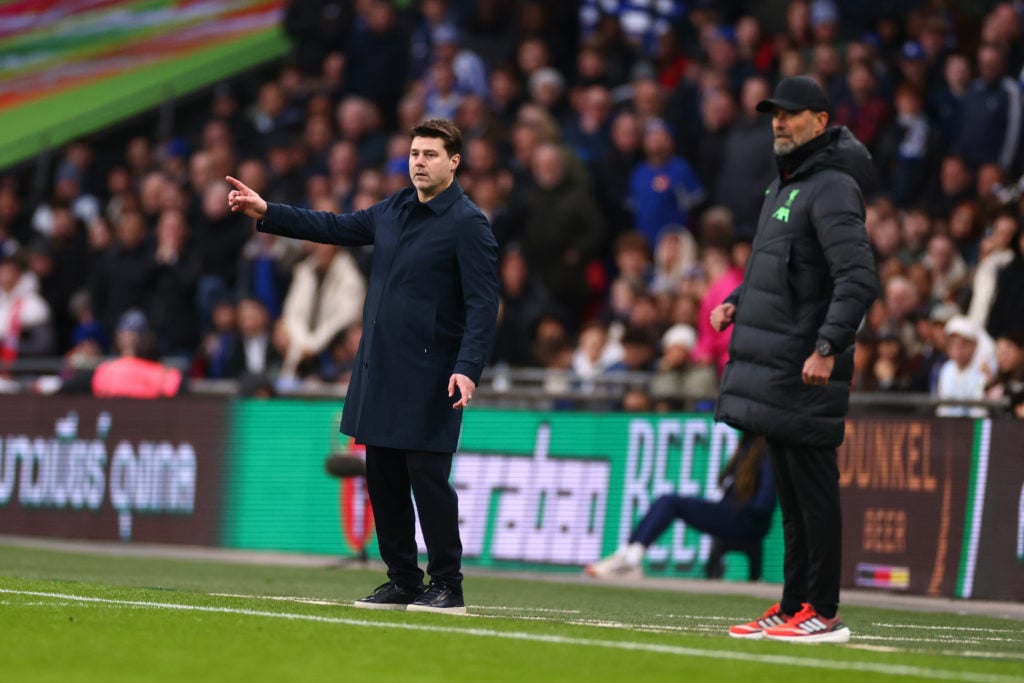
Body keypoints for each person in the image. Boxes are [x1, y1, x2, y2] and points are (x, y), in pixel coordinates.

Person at [226, 119, 499, 615]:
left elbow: (483, 304)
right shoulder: (393, 208)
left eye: (431, 154)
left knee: (428, 481)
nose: (419, 161)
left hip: (433, 375)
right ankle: (402, 580)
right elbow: (333, 227)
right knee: (384, 479)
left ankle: (448, 586)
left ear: (454, 162)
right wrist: (268, 211)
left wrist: (468, 368)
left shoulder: (468, 223)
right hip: (381, 370)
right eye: (415, 153)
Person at [711, 76, 878, 644]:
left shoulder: (831, 186)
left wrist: (828, 347)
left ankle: (824, 611)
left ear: (820, 121)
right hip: (779, 367)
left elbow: (857, 278)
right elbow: (779, 270)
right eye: (774, 114)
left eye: (790, 113)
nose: (778, 122)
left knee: (815, 495)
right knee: (792, 501)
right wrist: (736, 301)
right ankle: (791, 606)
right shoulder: (785, 186)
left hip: (808, 366)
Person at [584, 433, 774, 580]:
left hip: (745, 522)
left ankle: (631, 559)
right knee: (665, 500)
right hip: (730, 513)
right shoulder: (746, 447)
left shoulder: (766, 452)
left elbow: (764, 503)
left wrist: (735, 507)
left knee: (670, 501)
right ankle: (627, 553)